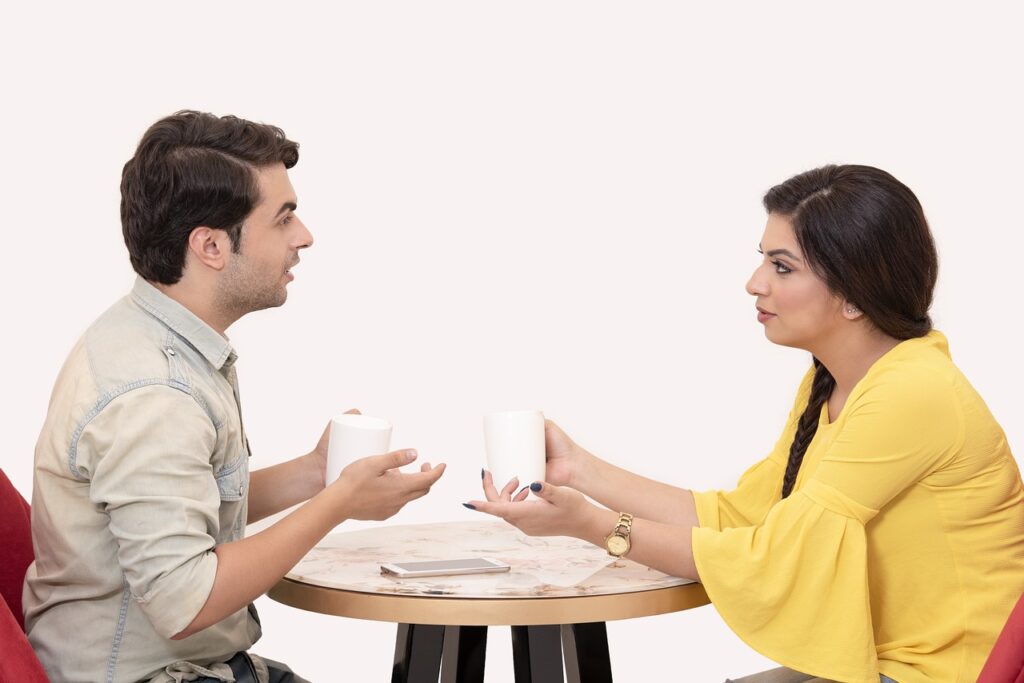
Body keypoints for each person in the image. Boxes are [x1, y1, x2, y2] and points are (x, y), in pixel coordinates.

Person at [466, 165, 1024, 682]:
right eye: (762, 259)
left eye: (782, 267)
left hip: (947, 673)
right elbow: (741, 518)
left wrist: (594, 527)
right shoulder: (832, 384)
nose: (755, 283)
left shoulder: (912, 391)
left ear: (854, 295)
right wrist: (580, 471)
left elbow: (770, 557)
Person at [24, 111, 446, 683]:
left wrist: (316, 474)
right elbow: (184, 600)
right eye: (283, 219)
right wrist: (338, 503)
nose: (304, 236)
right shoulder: (155, 393)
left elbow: (184, 507)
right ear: (212, 246)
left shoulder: (160, 340)